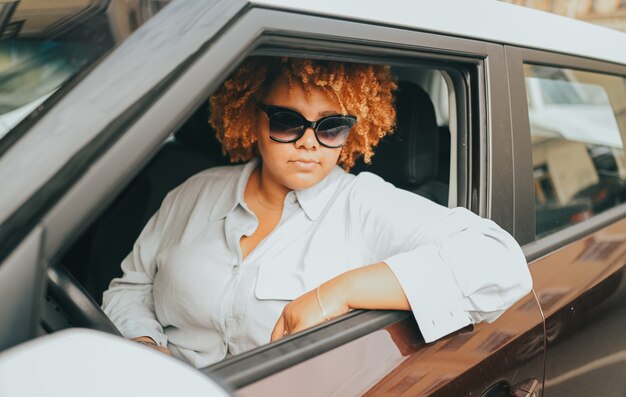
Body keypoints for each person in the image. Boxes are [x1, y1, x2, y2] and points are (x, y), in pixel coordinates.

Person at [102, 57, 532, 368]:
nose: (310, 142)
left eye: (331, 127)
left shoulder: (362, 203)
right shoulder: (194, 192)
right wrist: (144, 344)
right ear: (251, 119)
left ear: (354, 130)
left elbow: (501, 263)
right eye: (288, 122)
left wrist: (335, 293)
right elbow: (132, 286)